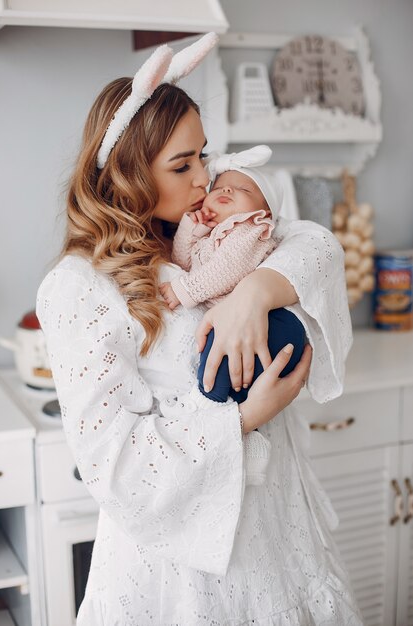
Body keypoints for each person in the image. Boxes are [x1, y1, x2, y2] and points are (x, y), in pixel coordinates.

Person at [36, 33, 362, 625]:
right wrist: (243, 418)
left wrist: (256, 294)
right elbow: (120, 470)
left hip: (278, 542)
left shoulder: (207, 238)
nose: (204, 179)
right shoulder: (80, 287)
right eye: (182, 165)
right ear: (131, 174)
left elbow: (316, 244)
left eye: (205, 155)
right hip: (179, 574)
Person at [158, 145, 307, 486]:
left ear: (262, 213)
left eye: (243, 190)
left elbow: (228, 269)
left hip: (276, 326)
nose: (226, 190)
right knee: (220, 358)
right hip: (241, 321)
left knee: (218, 357)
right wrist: (191, 230)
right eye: (221, 187)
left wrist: (185, 291)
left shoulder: (252, 232)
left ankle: (219, 418)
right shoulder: (214, 235)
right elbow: (184, 263)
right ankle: (240, 431)